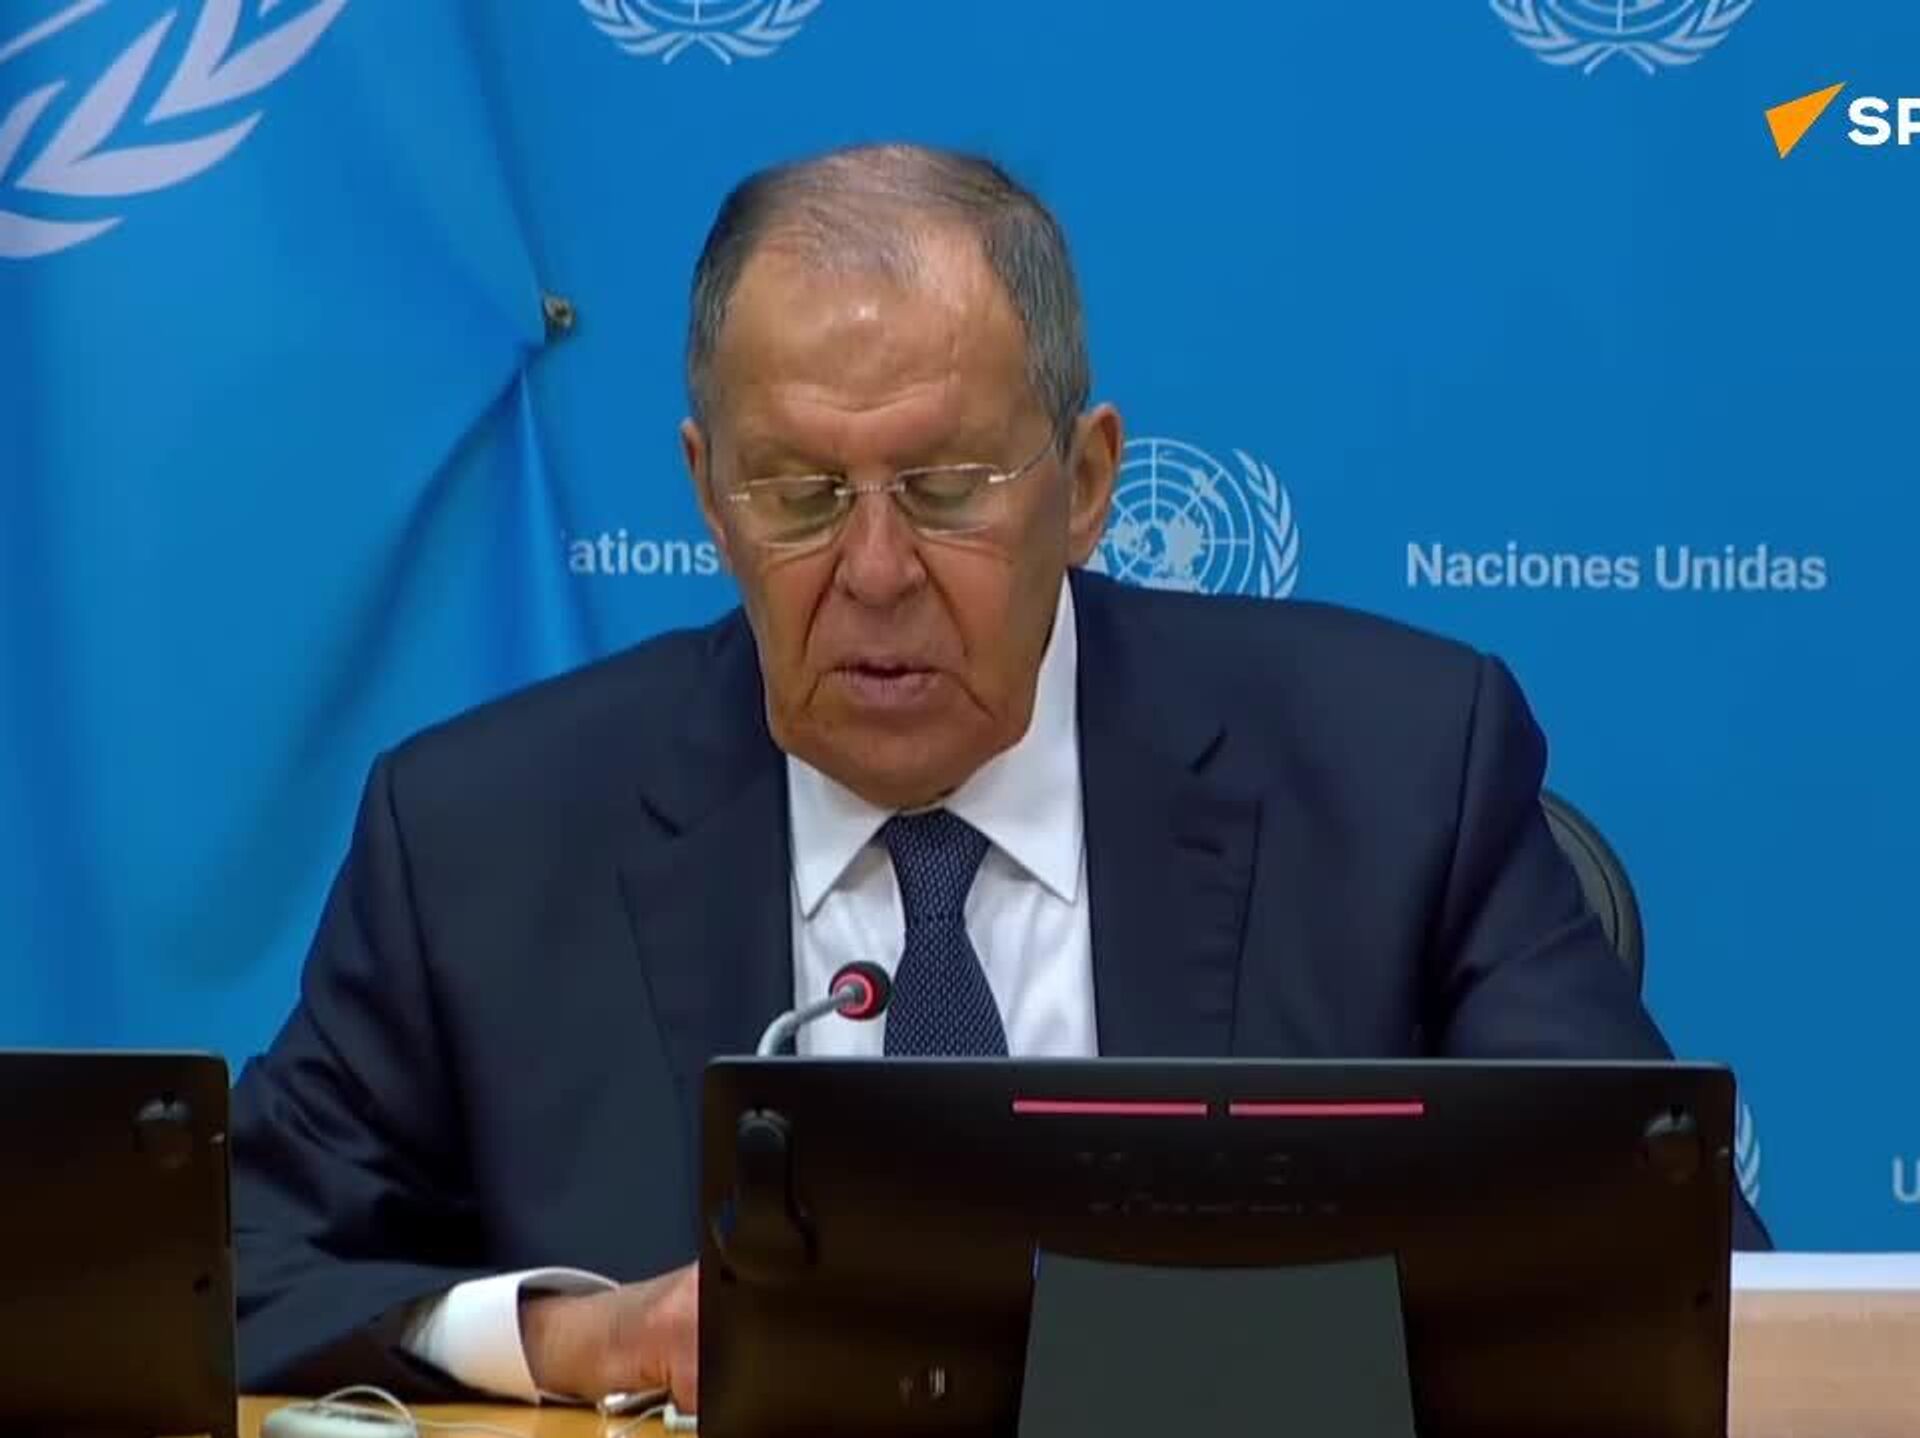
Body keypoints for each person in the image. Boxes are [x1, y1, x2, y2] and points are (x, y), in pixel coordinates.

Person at [230, 142, 1770, 1414]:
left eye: (948, 489)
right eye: (801, 493)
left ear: (1087, 484)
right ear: (707, 494)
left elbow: (1685, 1273)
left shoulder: (1397, 771)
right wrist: (581, 1335)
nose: (875, 570)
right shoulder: (487, 836)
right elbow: (225, 1260)